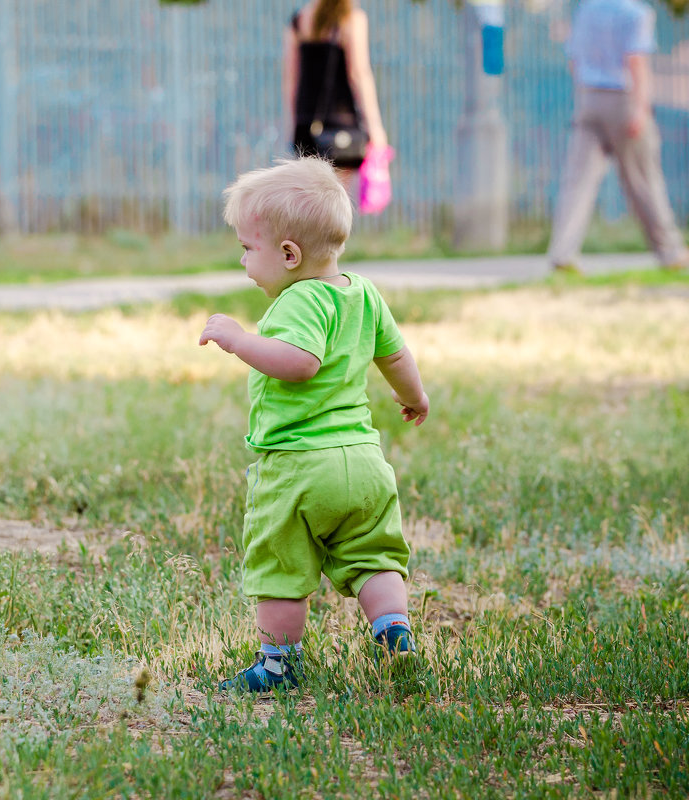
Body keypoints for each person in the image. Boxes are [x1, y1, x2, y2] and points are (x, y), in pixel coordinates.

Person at [199, 157, 429, 692]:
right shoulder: (362, 292)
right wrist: (414, 397)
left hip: (299, 467)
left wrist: (238, 340)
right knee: (372, 555)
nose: (242, 260)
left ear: (288, 254)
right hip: (364, 464)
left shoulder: (299, 300)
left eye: (247, 248)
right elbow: (395, 355)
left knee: (281, 565)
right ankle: (394, 630)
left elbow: (299, 361)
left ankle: (278, 666)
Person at [547, 0, 689, 273]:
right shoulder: (637, 13)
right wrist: (641, 109)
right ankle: (671, 252)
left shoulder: (587, 9)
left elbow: (574, 59)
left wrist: (588, 94)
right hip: (623, 99)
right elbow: (636, 62)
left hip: (589, 97)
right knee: (643, 179)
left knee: (577, 182)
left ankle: (562, 253)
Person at [283, 0, 389, 175]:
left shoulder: (299, 19)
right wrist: (375, 128)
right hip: (340, 123)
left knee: (312, 196)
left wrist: (292, 124)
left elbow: (291, 79)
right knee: (337, 195)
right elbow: (359, 73)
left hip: (306, 124)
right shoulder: (351, 18)